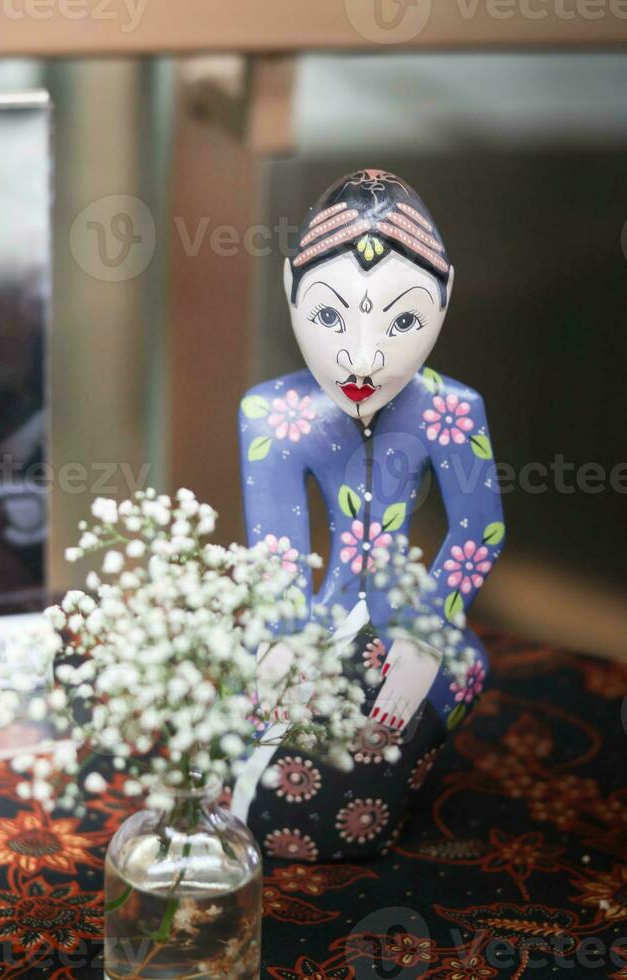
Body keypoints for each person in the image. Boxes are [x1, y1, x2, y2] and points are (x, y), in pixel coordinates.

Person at [237, 169, 505, 860]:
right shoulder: (273, 414)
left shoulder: (451, 410)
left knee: (452, 671)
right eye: (330, 316)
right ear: (290, 290)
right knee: (252, 682)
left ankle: (365, 824)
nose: (362, 356)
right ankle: (259, 822)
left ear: (446, 301)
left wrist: (424, 633)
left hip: (412, 625)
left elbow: (479, 529)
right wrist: (282, 639)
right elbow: (278, 556)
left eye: (404, 319)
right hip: (315, 622)